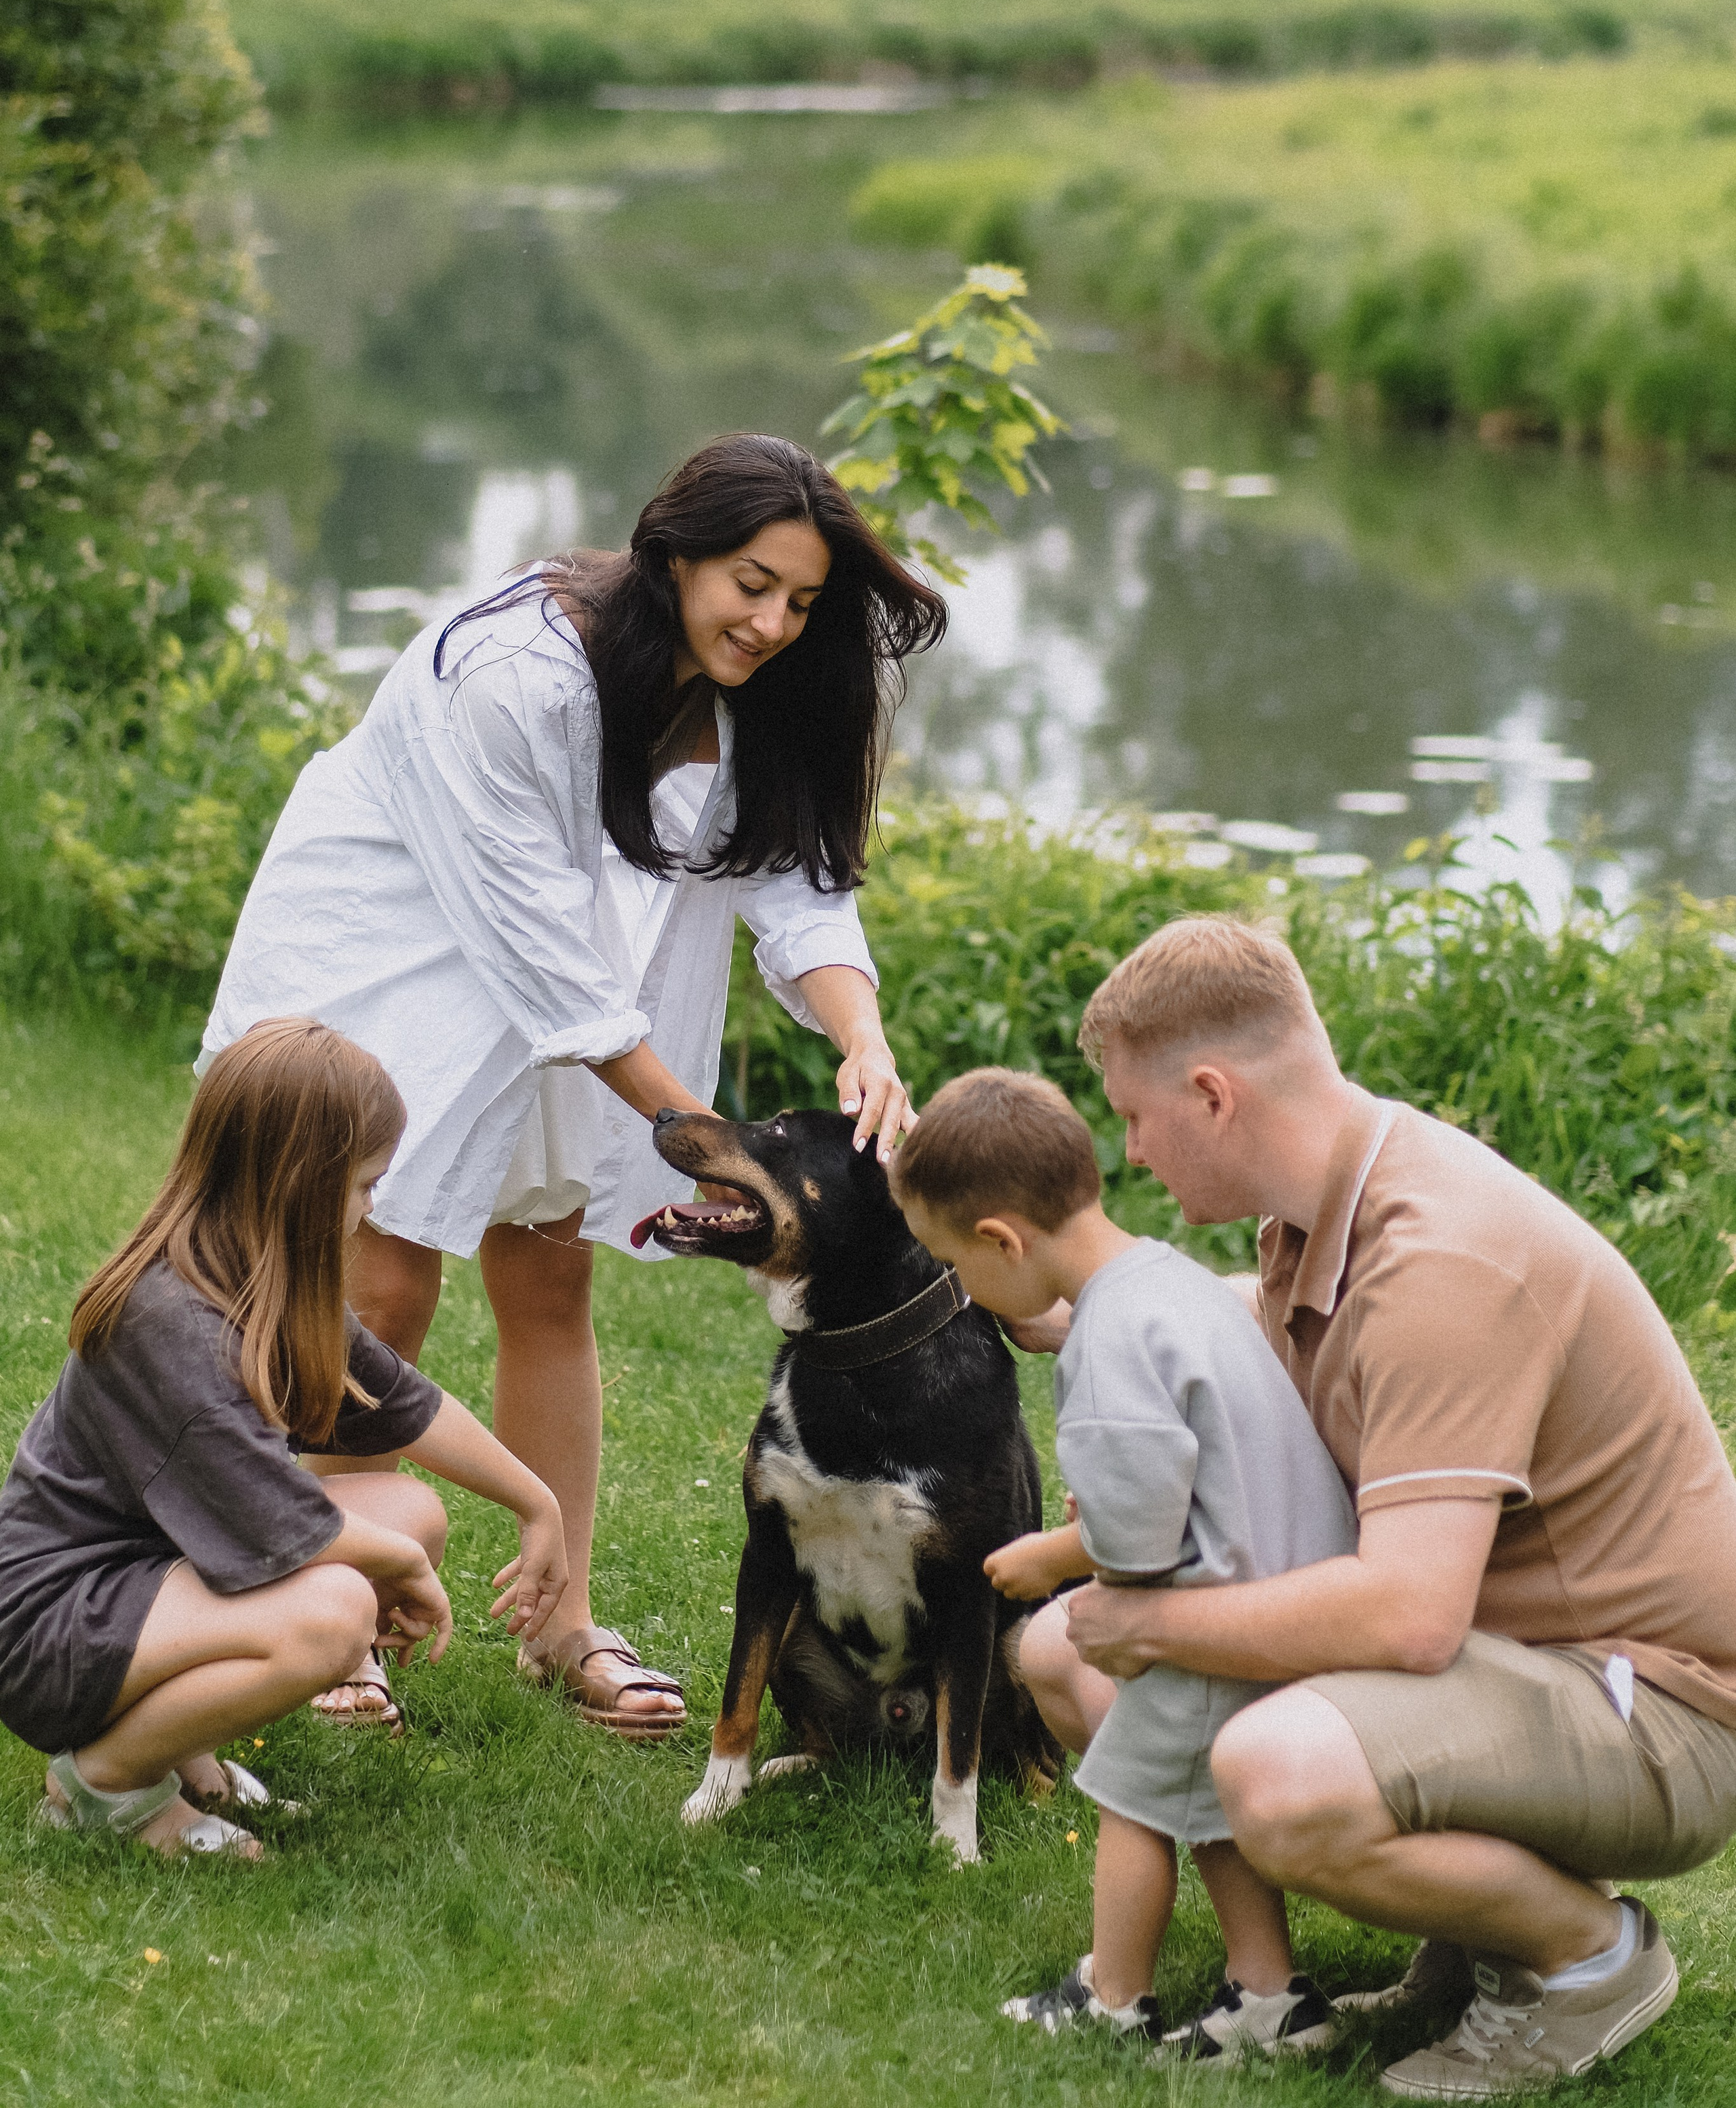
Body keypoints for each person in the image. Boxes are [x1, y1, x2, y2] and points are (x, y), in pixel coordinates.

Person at [201, 435, 943, 1737]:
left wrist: (863, 1037)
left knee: (549, 1271)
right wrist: (700, 1133)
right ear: (673, 556)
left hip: (572, 950)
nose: (772, 624)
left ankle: (563, 1621)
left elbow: (792, 883)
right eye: (750, 585)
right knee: (384, 1275)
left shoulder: (756, 689)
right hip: (403, 935)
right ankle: (336, 1604)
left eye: (802, 602)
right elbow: (548, 968)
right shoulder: (512, 675)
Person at [1024, 913, 1736, 2100]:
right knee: (1063, 1657)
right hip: (1520, 1665)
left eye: (1136, 1118)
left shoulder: (1442, 1262)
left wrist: (1149, 1621)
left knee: (1276, 1774)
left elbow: (1410, 1615)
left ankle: (1584, 1959)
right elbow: (1234, 1340)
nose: (1134, 1153)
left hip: (1659, 1709)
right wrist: (1061, 1304)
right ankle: (1473, 1940)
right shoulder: (1318, 1210)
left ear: (1212, 1096)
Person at [0, 1019, 567, 1858]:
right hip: (50, 1627)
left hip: (140, 1574)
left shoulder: (256, 1276)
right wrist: (402, 1571)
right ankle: (104, 1785)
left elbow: (401, 1402)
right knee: (332, 1616)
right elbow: (284, 1528)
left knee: (410, 1510)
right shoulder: (172, 1325)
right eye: (365, 1182)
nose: (374, 1204)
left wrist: (536, 1499)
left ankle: (179, 1746)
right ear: (299, 1182)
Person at [889, 1066, 1358, 2063]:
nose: (964, 1292)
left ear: (1003, 1242)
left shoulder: (1107, 1345)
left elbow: (1135, 1544)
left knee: (1135, 1805)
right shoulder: (1172, 1279)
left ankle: (1112, 1999)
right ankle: (1274, 1996)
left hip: (1207, 1617)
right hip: (1280, 1585)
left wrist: (1043, 1555)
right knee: (1204, 1801)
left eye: (953, 1264)